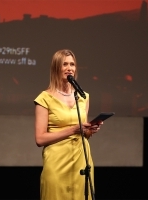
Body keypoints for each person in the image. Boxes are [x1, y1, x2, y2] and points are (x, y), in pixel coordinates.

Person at [34, 49, 102, 200]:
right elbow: (40, 139)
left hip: (80, 160)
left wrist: (90, 129)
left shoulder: (83, 97)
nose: (69, 67)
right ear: (56, 68)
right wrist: (73, 129)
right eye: (64, 64)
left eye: (72, 64)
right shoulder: (44, 98)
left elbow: (84, 133)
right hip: (56, 161)